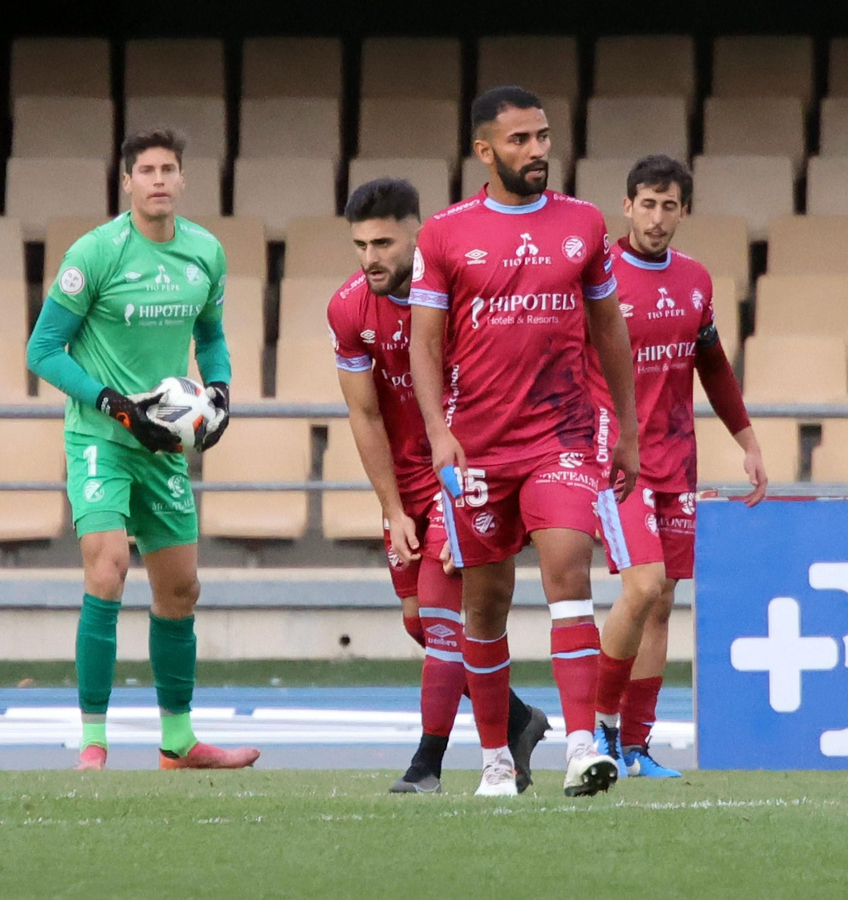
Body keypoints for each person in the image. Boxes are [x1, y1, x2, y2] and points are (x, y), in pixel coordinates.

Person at [410, 86, 641, 798]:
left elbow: (609, 329)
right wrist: (439, 435)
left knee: (567, 568)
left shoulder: (583, 222)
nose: (537, 150)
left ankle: (580, 746)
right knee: (486, 604)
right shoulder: (445, 234)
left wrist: (626, 429)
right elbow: (423, 346)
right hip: (477, 446)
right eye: (520, 140)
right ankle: (496, 762)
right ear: (485, 151)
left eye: (543, 136)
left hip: (560, 436)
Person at [26, 129, 258, 771]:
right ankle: (94, 741)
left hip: (163, 446)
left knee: (181, 590)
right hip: (102, 438)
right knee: (107, 570)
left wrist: (219, 392)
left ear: (183, 180)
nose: (158, 179)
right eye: (146, 170)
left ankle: (178, 743)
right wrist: (112, 403)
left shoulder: (205, 254)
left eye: (169, 169)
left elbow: (210, 337)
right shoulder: (95, 253)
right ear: (126, 182)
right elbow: (42, 351)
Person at [328, 177, 550, 793]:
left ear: (417, 236)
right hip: (403, 482)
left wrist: (472, 492)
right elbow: (366, 414)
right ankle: (518, 719)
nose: (370, 258)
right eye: (359, 245)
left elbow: (490, 392)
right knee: (420, 623)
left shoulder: (458, 299)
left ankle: (426, 765)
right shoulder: (348, 308)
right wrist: (391, 508)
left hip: (460, 470)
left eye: (383, 243)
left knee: (440, 614)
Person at [585, 156, 767, 777]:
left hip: (676, 458)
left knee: (661, 602)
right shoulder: (598, 275)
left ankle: (635, 747)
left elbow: (711, 364)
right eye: (647, 204)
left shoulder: (695, 280)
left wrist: (747, 439)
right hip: (615, 458)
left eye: (670, 206)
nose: (657, 218)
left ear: (683, 211)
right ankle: (599, 731)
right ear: (627, 205)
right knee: (641, 587)